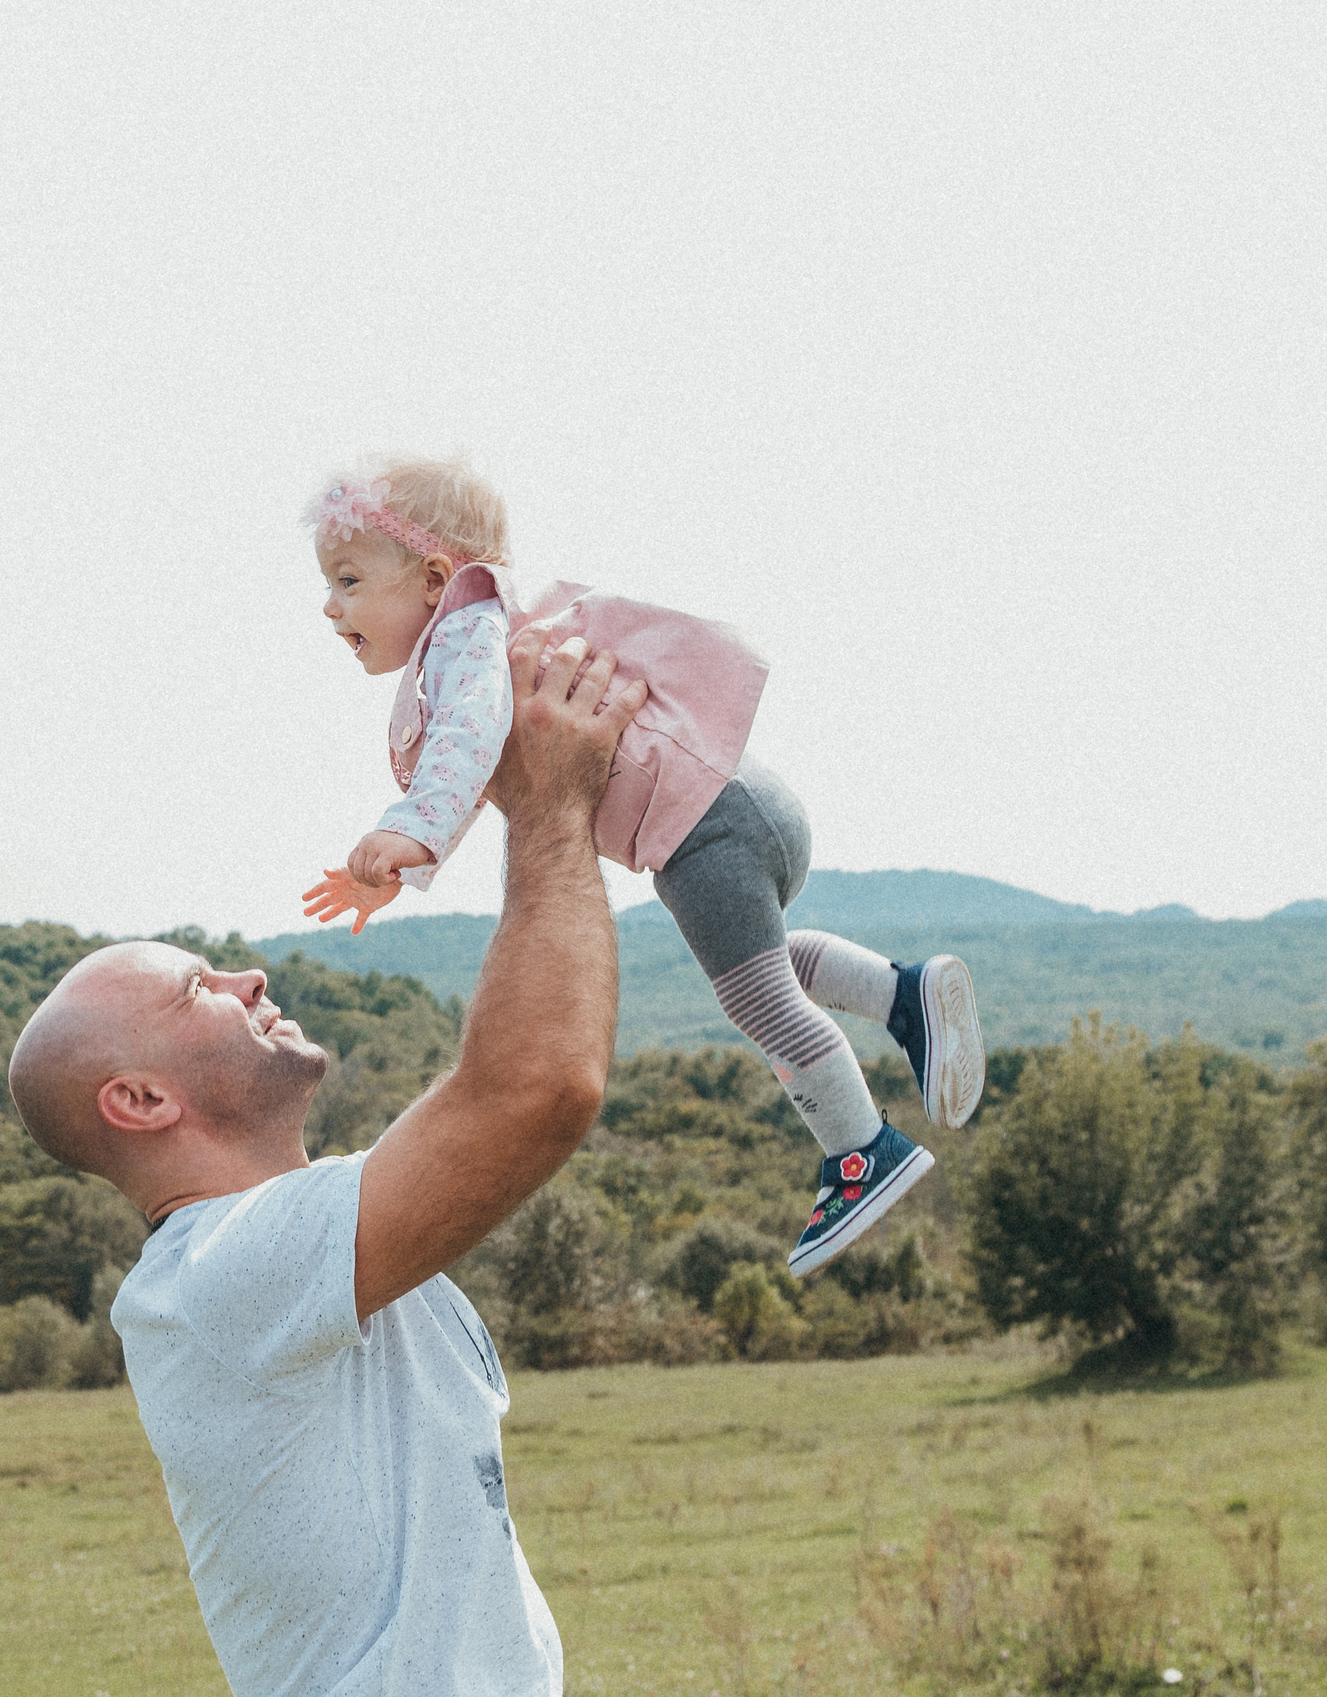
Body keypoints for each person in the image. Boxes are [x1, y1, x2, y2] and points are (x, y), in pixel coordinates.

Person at [6, 633, 644, 1697]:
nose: (251, 976)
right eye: (196, 988)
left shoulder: (299, 1256)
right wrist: (545, 807)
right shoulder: (220, 1276)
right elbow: (539, 1087)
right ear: (143, 1101)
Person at [299, 455, 986, 1275]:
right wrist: (409, 866)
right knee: (764, 965)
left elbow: (466, 741)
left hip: (704, 828)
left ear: (435, 576)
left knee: (754, 996)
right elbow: (487, 767)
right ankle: (904, 995)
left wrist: (408, 832)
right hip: (738, 802)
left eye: (347, 580)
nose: (330, 605)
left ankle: (862, 1149)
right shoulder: (494, 633)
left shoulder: (462, 637)